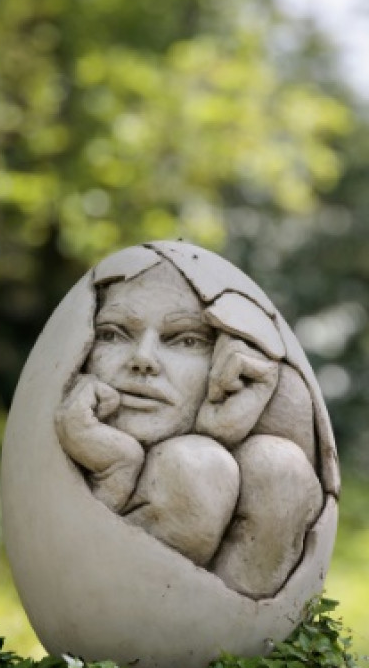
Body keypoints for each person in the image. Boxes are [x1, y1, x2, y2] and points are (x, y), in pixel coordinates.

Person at [55, 257, 322, 599]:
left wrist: (222, 425)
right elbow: (54, 565)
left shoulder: (263, 415)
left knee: (279, 468)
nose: (143, 359)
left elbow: (305, 510)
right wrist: (115, 473)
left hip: (232, 637)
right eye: (112, 334)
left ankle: (230, 644)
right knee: (196, 467)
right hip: (93, 619)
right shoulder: (63, 416)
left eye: (186, 340)